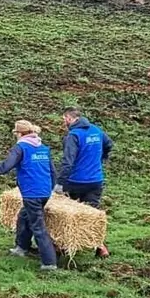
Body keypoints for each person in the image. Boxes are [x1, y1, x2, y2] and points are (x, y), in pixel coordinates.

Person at [0, 120, 58, 271]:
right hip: (44, 192)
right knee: (24, 216)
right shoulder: (43, 148)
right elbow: (52, 171)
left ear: (19, 133)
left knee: (38, 227)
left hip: (32, 193)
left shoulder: (21, 148)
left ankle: (49, 263)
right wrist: (51, 188)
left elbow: (5, 167)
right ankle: (21, 247)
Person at [59, 107, 114, 257]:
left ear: (70, 118)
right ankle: (101, 247)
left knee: (69, 216)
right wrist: (101, 158)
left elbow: (68, 162)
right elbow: (109, 144)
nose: (64, 122)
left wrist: (60, 183)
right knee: (92, 215)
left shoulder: (74, 135)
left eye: (64, 119)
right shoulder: (96, 130)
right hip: (96, 180)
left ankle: (64, 247)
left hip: (75, 181)